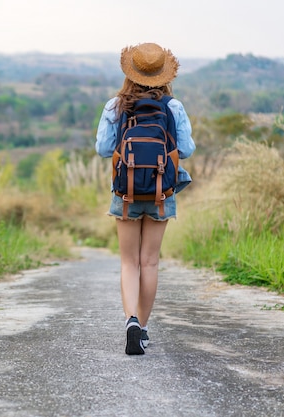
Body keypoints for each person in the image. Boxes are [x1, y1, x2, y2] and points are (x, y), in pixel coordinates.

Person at [95, 43, 195, 355]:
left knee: (129, 261)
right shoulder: (173, 107)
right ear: (163, 75)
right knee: (150, 261)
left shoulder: (116, 106)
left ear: (130, 72)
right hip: (161, 191)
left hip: (125, 191)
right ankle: (145, 329)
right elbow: (187, 149)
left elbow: (102, 148)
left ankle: (131, 321)